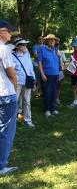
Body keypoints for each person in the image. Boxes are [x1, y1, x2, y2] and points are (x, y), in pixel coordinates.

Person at [0, 19, 18, 175]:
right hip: (6, 94)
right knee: (7, 131)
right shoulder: (3, 49)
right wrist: (13, 85)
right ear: (0, 31)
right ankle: (2, 166)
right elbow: (11, 73)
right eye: (9, 31)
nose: (11, 34)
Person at [12, 38, 36, 127]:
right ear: (17, 46)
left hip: (28, 81)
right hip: (17, 83)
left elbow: (30, 68)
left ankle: (28, 120)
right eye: (23, 44)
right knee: (14, 101)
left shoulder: (27, 54)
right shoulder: (12, 56)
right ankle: (12, 121)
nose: (25, 46)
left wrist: (34, 79)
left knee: (27, 101)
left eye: (26, 44)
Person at [38, 34, 60, 117]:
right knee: (47, 93)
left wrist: (59, 57)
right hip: (46, 74)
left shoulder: (55, 50)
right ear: (46, 41)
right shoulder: (42, 49)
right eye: (50, 40)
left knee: (54, 92)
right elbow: (39, 62)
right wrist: (42, 74)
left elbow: (58, 62)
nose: (52, 41)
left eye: (53, 40)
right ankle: (47, 109)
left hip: (56, 74)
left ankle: (53, 108)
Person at [55, 38, 66, 106]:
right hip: (52, 71)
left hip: (59, 70)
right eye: (56, 44)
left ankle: (57, 98)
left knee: (59, 85)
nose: (57, 45)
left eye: (58, 43)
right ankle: (53, 98)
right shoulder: (51, 51)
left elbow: (64, 62)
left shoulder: (61, 52)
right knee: (54, 85)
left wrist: (63, 68)